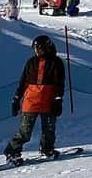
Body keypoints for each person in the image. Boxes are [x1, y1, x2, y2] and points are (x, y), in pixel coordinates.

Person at [4, 35, 65, 165]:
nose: (37, 51)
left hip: (49, 100)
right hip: (31, 100)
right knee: (25, 131)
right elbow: (22, 82)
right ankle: (12, 151)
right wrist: (16, 99)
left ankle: (47, 149)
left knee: (49, 128)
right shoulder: (31, 62)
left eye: (40, 48)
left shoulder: (56, 62)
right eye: (35, 48)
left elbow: (60, 84)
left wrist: (58, 99)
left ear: (47, 48)